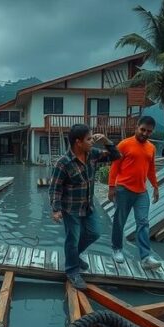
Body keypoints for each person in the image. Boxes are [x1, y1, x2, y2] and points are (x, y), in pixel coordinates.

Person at [49, 124, 121, 290]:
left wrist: (106, 140)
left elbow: (116, 156)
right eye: (89, 139)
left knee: (94, 233)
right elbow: (55, 188)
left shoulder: (93, 155)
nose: (92, 142)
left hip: (88, 206)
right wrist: (56, 209)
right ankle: (72, 271)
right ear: (78, 142)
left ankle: (73, 256)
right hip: (71, 209)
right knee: (72, 240)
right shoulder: (63, 163)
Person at [108, 115, 161, 269]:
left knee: (143, 222)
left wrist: (156, 187)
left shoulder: (151, 148)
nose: (145, 133)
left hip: (142, 193)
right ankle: (117, 249)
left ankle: (146, 258)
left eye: (149, 131)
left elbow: (151, 169)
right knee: (119, 221)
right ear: (137, 127)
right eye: (143, 129)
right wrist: (111, 188)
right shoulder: (124, 145)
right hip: (123, 189)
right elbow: (114, 167)